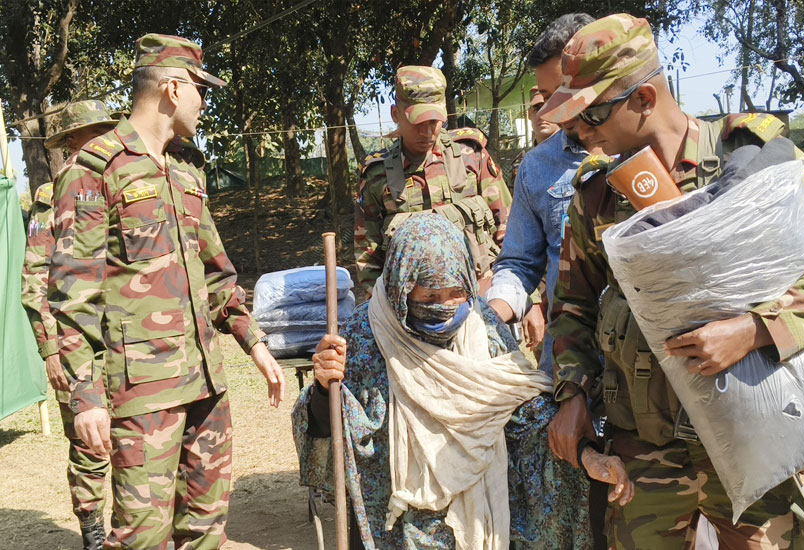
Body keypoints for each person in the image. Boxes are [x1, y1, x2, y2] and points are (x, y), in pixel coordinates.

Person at [540, 14, 804, 548]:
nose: (579, 131)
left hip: (758, 439)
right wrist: (573, 391)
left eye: (592, 113)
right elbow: (573, 305)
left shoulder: (754, 160)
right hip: (646, 454)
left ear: (644, 98)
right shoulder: (598, 193)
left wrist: (756, 329)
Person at [48, 33, 285, 550]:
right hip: (143, 394)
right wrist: (86, 399)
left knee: (205, 530)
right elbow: (71, 297)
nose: (204, 102)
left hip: (207, 384)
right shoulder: (95, 169)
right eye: (201, 90)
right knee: (142, 538)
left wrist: (254, 343)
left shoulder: (185, 170)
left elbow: (217, 273)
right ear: (174, 89)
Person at [293, 214, 632, 549]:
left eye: (456, 293)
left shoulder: (483, 325)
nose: (444, 308)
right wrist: (324, 387)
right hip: (396, 526)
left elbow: (523, 410)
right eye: (429, 298)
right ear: (401, 287)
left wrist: (585, 455)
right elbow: (330, 430)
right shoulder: (363, 337)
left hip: (479, 515)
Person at [21, 99, 117, 550]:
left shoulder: (121, 183)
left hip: (125, 339)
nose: (104, 142)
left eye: (106, 132)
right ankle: (93, 532)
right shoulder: (53, 195)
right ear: (72, 140)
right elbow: (35, 280)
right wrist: (52, 350)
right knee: (88, 444)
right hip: (75, 342)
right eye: (94, 134)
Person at [486, 12, 595, 375]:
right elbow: (519, 263)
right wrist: (489, 317)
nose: (552, 110)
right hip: (567, 364)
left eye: (562, 94)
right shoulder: (536, 167)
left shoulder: (643, 153)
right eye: (546, 97)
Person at [354, 65, 512, 298]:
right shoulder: (377, 176)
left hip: (481, 294)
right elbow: (368, 259)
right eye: (418, 122)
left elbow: (509, 229)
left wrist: (503, 290)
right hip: (412, 307)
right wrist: (386, 307)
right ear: (396, 114)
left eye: (434, 121)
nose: (427, 132)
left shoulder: (472, 157)